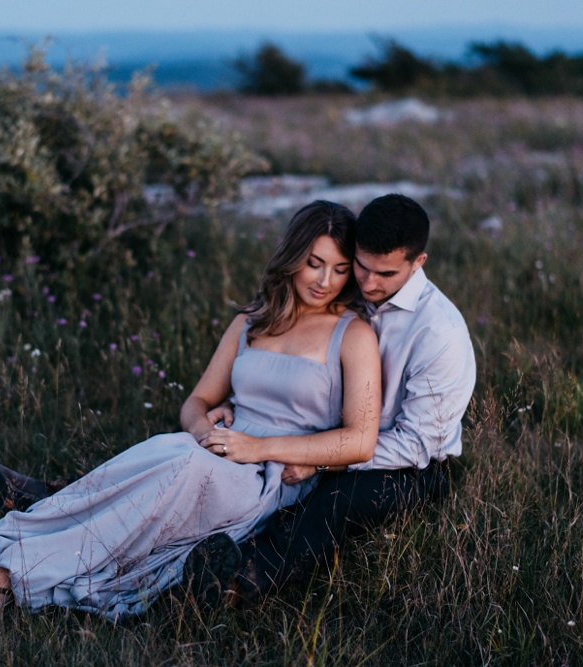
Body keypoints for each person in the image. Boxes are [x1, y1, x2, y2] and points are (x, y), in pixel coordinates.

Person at [0, 200, 382, 618]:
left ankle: (10, 572)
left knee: (168, 477)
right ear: (292, 258)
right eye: (314, 263)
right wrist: (203, 430)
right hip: (209, 451)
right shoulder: (251, 322)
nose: (324, 280)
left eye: (340, 269)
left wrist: (256, 447)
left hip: (268, 474)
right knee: (130, 478)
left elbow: (360, 440)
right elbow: (197, 403)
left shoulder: (352, 334)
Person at [189, 193, 477, 601]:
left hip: (408, 463)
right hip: (327, 435)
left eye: (386, 273)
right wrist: (240, 403)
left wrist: (320, 459)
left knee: (336, 502)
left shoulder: (439, 334)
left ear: (419, 263)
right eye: (359, 266)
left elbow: (415, 444)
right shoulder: (345, 286)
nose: (369, 283)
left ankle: (239, 581)